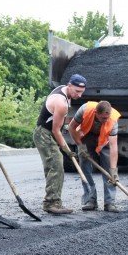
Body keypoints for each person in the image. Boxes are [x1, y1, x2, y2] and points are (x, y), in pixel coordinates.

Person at [33, 74, 87, 214]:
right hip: (44, 133)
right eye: (77, 91)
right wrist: (67, 150)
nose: (79, 95)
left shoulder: (63, 90)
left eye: (82, 92)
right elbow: (56, 130)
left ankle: (53, 200)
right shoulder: (61, 103)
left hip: (47, 132)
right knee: (57, 165)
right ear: (69, 85)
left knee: (53, 166)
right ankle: (52, 203)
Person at [69, 100, 121, 212]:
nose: (105, 120)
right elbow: (71, 127)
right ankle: (90, 199)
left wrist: (113, 170)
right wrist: (80, 146)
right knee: (84, 167)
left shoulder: (113, 120)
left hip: (104, 140)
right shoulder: (84, 110)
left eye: (107, 118)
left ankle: (110, 202)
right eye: (103, 118)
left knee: (108, 170)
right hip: (87, 137)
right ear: (96, 112)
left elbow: (113, 146)